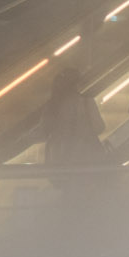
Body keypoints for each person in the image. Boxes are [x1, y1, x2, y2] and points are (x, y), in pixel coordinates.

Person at [43, 66, 111, 213]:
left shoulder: (52, 104)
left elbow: (44, 130)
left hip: (60, 155)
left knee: (68, 192)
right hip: (85, 155)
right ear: (76, 83)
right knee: (87, 195)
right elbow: (99, 127)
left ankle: (67, 219)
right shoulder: (86, 102)